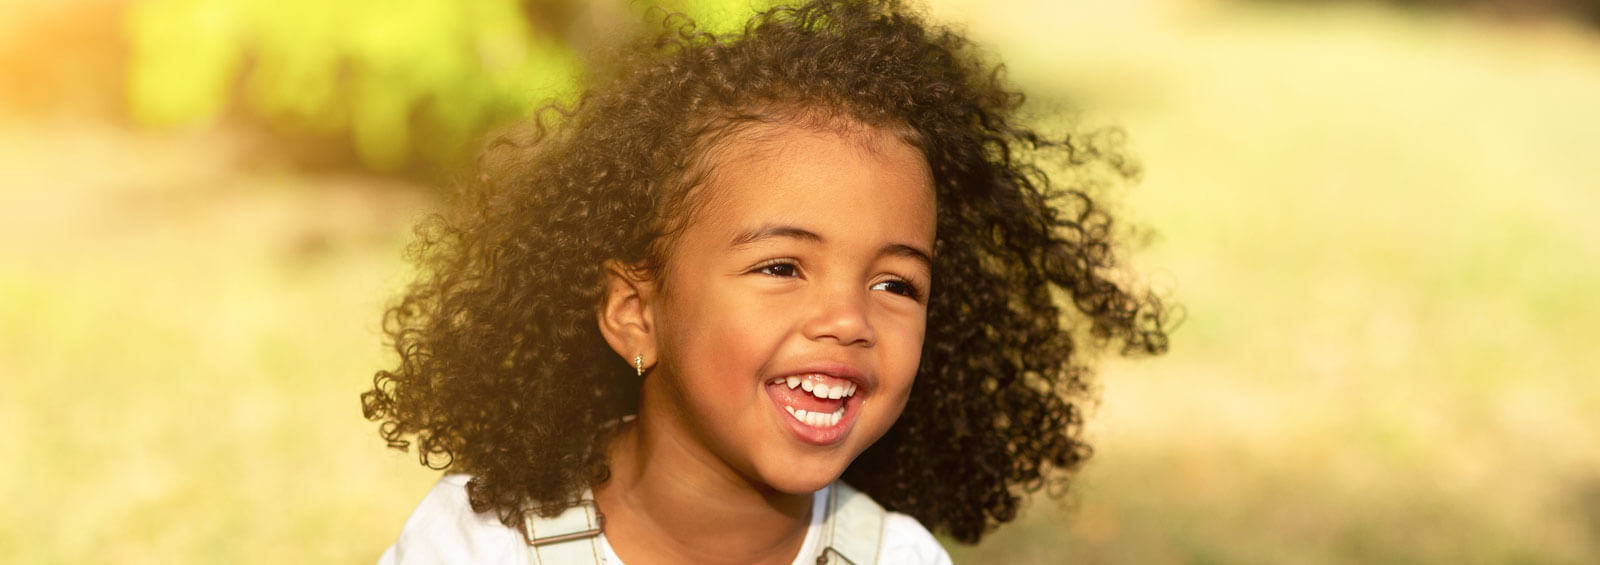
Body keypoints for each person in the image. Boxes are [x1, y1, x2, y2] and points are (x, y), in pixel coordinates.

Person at [362, 0, 1169, 563]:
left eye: (896, 284)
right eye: (782, 266)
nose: (848, 319)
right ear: (636, 311)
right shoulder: (482, 541)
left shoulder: (896, 557)